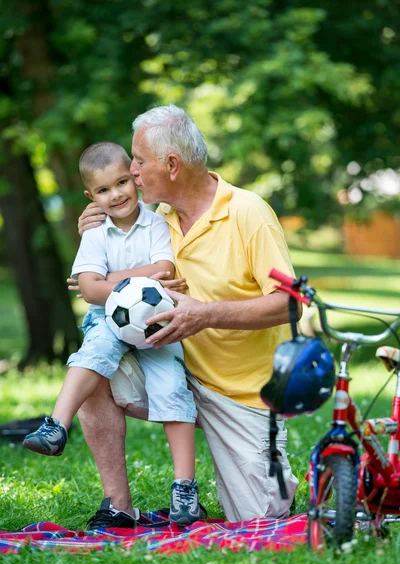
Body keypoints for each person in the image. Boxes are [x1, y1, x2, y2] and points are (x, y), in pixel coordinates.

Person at [73, 105, 299, 527]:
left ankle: (265, 469)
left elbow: (290, 303)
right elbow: (110, 264)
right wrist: (93, 236)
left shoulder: (248, 212)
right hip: (171, 370)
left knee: (263, 517)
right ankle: (118, 505)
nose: (133, 171)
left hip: (243, 397)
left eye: (139, 161)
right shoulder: (157, 221)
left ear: (171, 165)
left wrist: (206, 315)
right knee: (91, 365)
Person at [23, 141, 201, 526]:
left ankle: (185, 488)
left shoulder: (156, 223)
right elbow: (89, 290)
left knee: (173, 387)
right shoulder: (95, 233)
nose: (116, 194)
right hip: (107, 321)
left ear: (135, 178)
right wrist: (140, 275)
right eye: (104, 190)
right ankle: (56, 425)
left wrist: (110, 280)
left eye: (122, 182)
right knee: (95, 350)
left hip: (157, 324)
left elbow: (165, 271)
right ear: (91, 196)